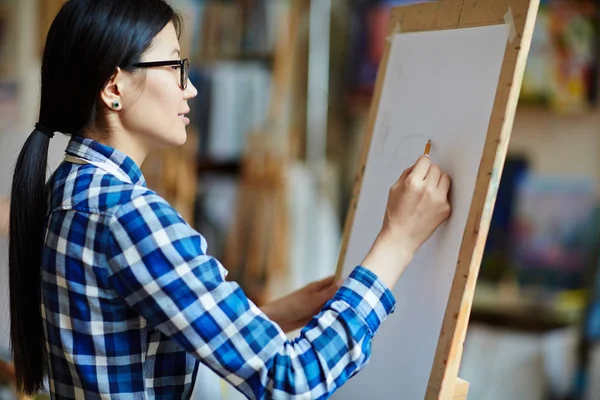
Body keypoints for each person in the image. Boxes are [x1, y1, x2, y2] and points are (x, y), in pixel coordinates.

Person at [8, 0, 452, 399]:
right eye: (173, 67)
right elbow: (291, 380)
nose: (191, 88)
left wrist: (271, 314)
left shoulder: (69, 188)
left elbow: (127, 333)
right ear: (114, 88)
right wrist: (397, 242)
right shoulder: (127, 215)